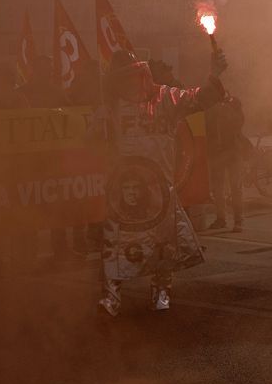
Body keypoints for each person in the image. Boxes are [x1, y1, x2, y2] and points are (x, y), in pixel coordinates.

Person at [95, 46, 227, 316]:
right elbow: (92, 141)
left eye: (133, 75)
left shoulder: (165, 98)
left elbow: (201, 98)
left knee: (162, 241)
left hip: (159, 189)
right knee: (115, 242)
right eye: (122, 78)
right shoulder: (110, 108)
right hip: (124, 188)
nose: (130, 82)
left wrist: (214, 73)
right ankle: (111, 296)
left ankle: (162, 288)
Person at [205, 91, 246, 232]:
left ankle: (236, 220)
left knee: (233, 187)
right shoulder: (212, 105)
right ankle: (224, 218)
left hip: (230, 151)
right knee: (220, 188)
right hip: (220, 151)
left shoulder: (232, 103)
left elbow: (239, 122)